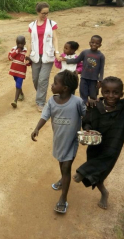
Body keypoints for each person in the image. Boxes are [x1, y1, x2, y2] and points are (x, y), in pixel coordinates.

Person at [73, 69, 124, 210]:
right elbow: (87, 121)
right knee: (97, 171)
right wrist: (87, 131)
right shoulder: (95, 106)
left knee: (102, 164)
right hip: (95, 145)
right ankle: (104, 192)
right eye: (107, 92)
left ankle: (81, 172)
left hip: (113, 145)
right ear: (102, 92)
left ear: (121, 94)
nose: (111, 96)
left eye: (116, 92)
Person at [31, 70, 86, 214]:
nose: (52, 85)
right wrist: (37, 128)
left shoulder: (77, 102)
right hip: (58, 140)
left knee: (66, 167)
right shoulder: (51, 101)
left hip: (71, 142)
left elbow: (86, 117)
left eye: (55, 83)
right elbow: (45, 115)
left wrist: (86, 132)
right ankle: (63, 179)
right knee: (62, 165)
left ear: (65, 88)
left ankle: (63, 199)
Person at [28, 2, 60, 112]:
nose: (45, 15)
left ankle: (40, 102)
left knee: (43, 79)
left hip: (48, 55)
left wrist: (57, 52)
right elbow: (30, 41)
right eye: (43, 13)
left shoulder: (52, 24)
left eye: (47, 13)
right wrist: (27, 55)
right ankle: (40, 96)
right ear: (38, 12)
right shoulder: (31, 25)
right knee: (35, 79)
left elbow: (55, 38)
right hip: (35, 55)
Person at [62, 35, 105, 103]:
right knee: (83, 95)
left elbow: (101, 68)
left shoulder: (101, 56)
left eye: (97, 43)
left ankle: (93, 111)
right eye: (92, 42)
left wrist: (100, 80)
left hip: (94, 80)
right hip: (84, 78)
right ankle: (84, 110)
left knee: (93, 96)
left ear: (100, 45)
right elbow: (76, 60)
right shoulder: (85, 52)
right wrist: (66, 60)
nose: (94, 44)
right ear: (89, 43)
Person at [8, 35, 31, 108]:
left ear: (25, 43)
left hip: (21, 72)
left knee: (18, 85)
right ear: (16, 43)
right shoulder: (14, 49)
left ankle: (15, 101)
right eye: (18, 44)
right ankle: (21, 94)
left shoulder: (26, 51)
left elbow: (28, 62)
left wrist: (28, 62)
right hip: (14, 71)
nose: (20, 45)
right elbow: (10, 57)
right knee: (17, 83)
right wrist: (17, 51)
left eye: (21, 44)